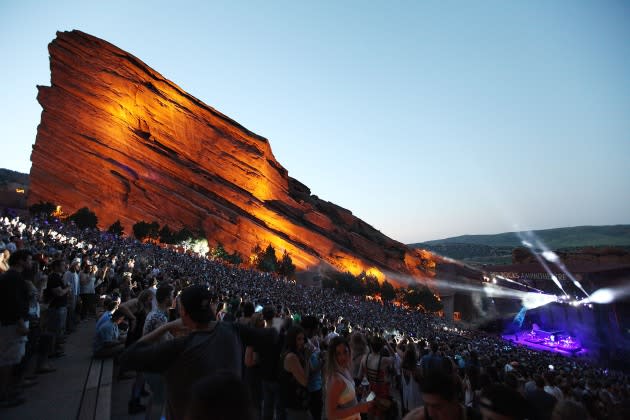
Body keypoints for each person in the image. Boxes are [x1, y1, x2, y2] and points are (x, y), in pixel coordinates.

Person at [120, 285, 278, 420]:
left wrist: (166, 327)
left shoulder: (178, 347)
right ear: (210, 307)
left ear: (183, 312)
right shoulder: (234, 329)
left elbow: (128, 357)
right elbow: (271, 336)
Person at [0, 249, 32, 407]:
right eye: (29, 260)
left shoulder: (12, 277)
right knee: (8, 360)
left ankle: (10, 390)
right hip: (13, 325)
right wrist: (20, 322)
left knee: (12, 359)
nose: (31, 263)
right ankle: (5, 395)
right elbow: (13, 303)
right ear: (20, 261)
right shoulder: (13, 278)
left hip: (12, 323)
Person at [326, 336, 373, 420]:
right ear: (333, 356)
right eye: (338, 354)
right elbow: (331, 415)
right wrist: (359, 408)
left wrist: (357, 390)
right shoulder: (336, 380)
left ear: (349, 351)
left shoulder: (345, 369)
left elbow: (343, 394)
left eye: (345, 352)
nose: (343, 357)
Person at [402, 370, 479, 420]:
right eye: (427, 404)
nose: (431, 413)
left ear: (454, 401)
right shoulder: (422, 416)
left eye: (437, 406)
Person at [279, 325, 310, 419]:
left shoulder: (293, 353)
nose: (302, 342)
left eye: (303, 339)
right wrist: (307, 358)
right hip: (294, 405)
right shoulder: (291, 357)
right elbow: (304, 381)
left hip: (295, 403)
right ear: (292, 340)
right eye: (298, 339)